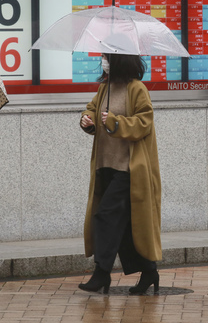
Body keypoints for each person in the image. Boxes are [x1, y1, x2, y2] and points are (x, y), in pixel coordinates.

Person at [78, 52, 162, 295]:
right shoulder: (104, 88)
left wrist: (116, 122)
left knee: (105, 217)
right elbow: (92, 110)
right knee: (123, 224)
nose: (102, 60)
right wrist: (88, 120)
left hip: (129, 168)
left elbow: (144, 122)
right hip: (105, 165)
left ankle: (101, 273)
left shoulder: (137, 89)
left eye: (106, 57)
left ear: (120, 60)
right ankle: (149, 271)